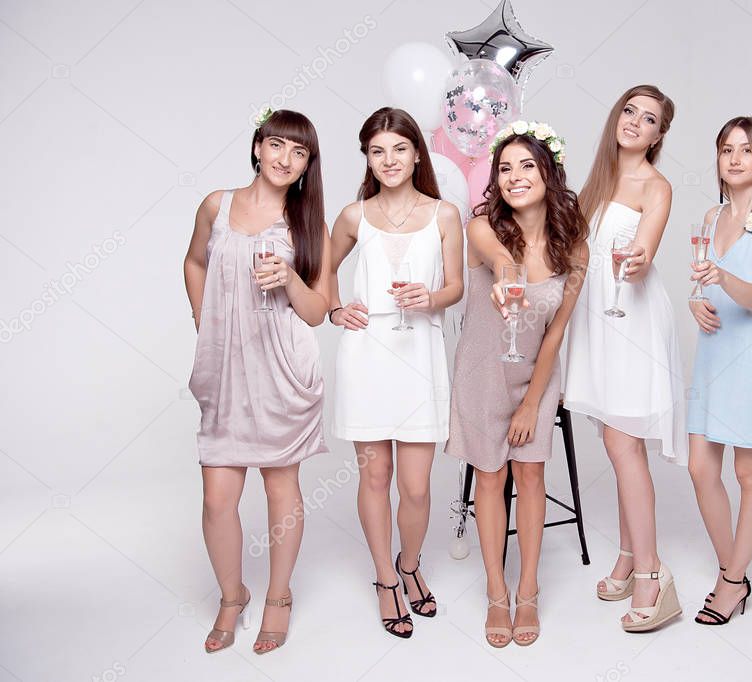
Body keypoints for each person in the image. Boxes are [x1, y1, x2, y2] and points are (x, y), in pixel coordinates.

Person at [183, 109, 331, 654]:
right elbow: (194, 263)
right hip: (225, 371)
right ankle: (231, 595)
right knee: (217, 498)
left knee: (279, 492)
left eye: (299, 152)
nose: (284, 158)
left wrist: (290, 276)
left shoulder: (308, 225)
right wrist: (207, 325)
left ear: (307, 165)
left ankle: (278, 596)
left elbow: (318, 311)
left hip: (280, 371)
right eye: (276, 145)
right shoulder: (215, 206)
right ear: (256, 147)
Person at [446, 121, 588, 647]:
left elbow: (555, 337)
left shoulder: (575, 249)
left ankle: (528, 588)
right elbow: (499, 259)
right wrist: (508, 274)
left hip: (536, 376)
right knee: (489, 477)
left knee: (530, 479)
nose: (514, 177)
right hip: (482, 372)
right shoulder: (482, 226)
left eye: (526, 165)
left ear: (549, 173)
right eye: (504, 168)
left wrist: (533, 404)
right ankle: (495, 591)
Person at [328, 107, 463, 638]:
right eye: (378, 151)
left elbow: (455, 287)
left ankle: (410, 563)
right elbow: (319, 268)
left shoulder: (446, 214)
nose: (389, 160)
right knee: (374, 476)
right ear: (367, 157)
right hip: (366, 353)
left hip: (420, 353)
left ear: (416, 154)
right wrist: (336, 310)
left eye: (399, 149)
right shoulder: (351, 216)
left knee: (416, 487)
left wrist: (431, 297)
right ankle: (386, 579)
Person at [565, 84, 687, 632]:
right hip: (595, 318)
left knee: (623, 442)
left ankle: (651, 575)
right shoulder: (596, 181)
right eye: (630, 111)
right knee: (616, 442)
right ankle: (628, 554)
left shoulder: (655, 186)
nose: (636, 122)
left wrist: (634, 260)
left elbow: (645, 247)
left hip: (629, 318)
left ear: (660, 135)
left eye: (650, 118)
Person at [687, 115, 752, 625]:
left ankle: (731, 582)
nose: (733, 158)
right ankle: (735, 567)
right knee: (700, 467)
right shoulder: (710, 218)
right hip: (713, 351)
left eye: (745, 150)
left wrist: (721, 277)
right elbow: (704, 286)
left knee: (748, 472)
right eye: (725, 149)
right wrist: (695, 301)